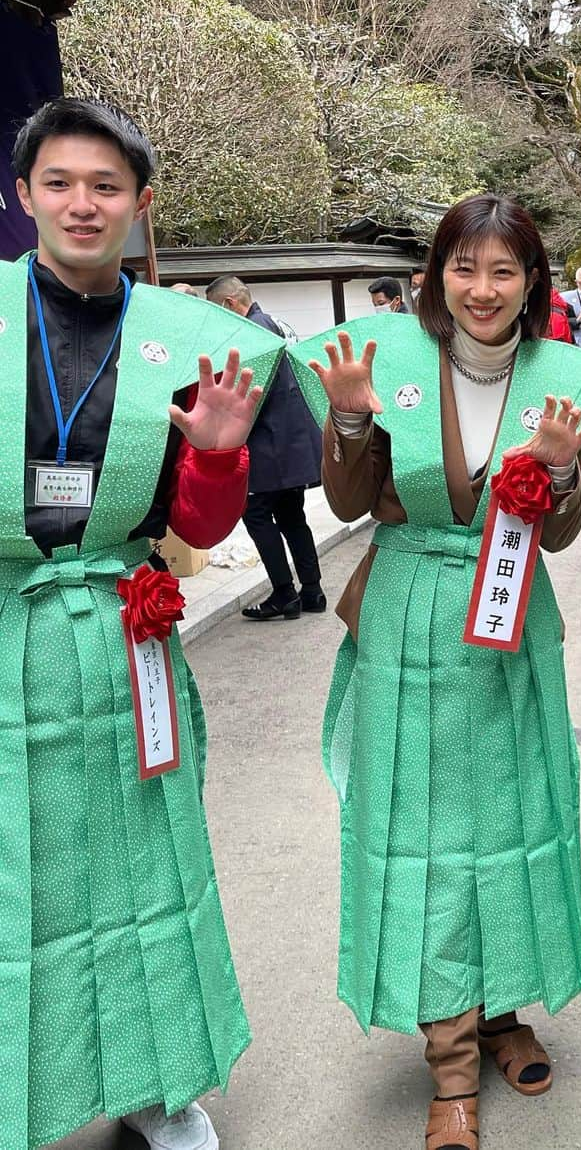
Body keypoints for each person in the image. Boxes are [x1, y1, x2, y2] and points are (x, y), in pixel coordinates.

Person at [298, 194, 581, 1150]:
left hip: (513, 620)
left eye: (503, 271)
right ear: (436, 277)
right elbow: (353, 499)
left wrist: (564, 473)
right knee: (430, 832)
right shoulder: (394, 364)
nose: (481, 289)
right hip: (410, 620)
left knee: (510, 819)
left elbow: (555, 537)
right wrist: (353, 421)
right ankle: (449, 1058)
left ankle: (493, 1011)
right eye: (463, 267)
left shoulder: (560, 381)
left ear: (532, 285)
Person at [5, 98, 282, 1150]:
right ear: (21, 193)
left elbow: (195, 525)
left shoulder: (181, 339)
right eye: (62, 182)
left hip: (130, 625)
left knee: (143, 858)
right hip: (9, 626)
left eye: (107, 186)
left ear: (140, 204)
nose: (84, 203)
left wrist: (216, 451)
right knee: (13, 864)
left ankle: (158, 1080)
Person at [207, 274, 326, 620]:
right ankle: (312, 590)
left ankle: (284, 594)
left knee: (256, 514)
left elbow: (251, 397)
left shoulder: (252, 332)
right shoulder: (274, 323)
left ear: (229, 303)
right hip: (292, 439)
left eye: (218, 310)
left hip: (270, 443)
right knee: (292, 516)